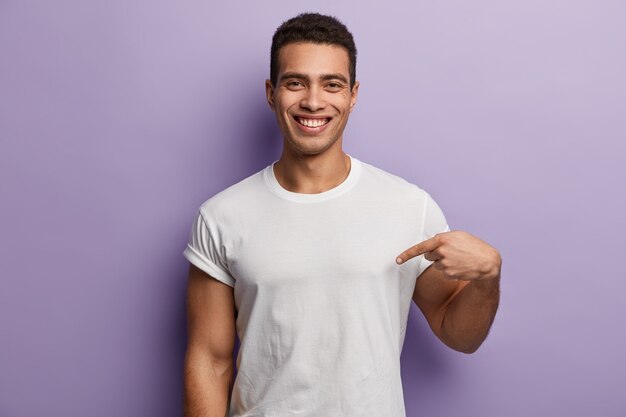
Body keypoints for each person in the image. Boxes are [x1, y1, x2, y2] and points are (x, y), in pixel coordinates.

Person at [183, 12, 501, 417]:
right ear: (271, 92)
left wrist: (488, 277)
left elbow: (460, 335)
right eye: (295, 82)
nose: (313, 101)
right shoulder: (221, 217)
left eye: (331, 84)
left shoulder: (407, 206)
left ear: (353, 94)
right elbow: (210, 362)